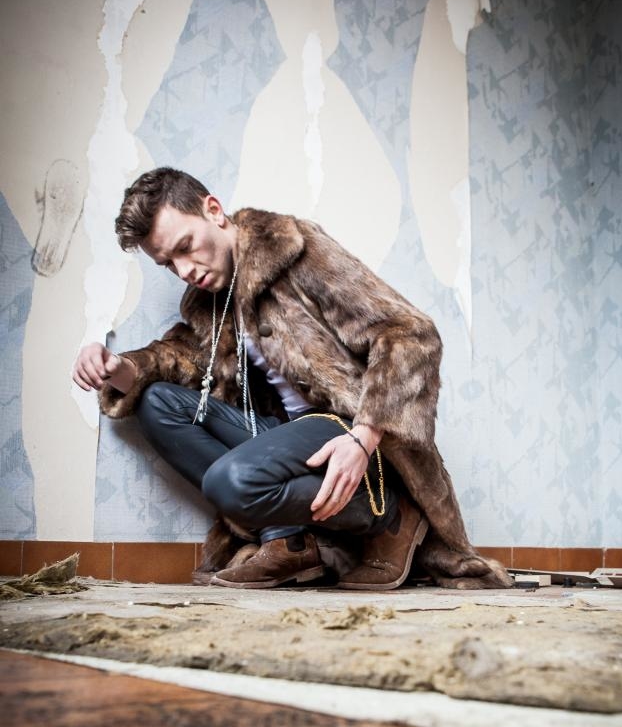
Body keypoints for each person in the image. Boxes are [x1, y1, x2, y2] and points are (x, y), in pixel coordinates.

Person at [73, 167, 511, 591]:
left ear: (213, 210)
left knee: (229, 481)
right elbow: (180, 358)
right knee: (156, 402)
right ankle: (290, 540)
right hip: (287, 436)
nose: (184, 269)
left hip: (347, 429)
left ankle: (393, 515)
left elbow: (410, 334)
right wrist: (119, 367)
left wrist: (363, 437)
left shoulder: (295, 249)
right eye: (168, 264)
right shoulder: (208, 301)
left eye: (185, 246)